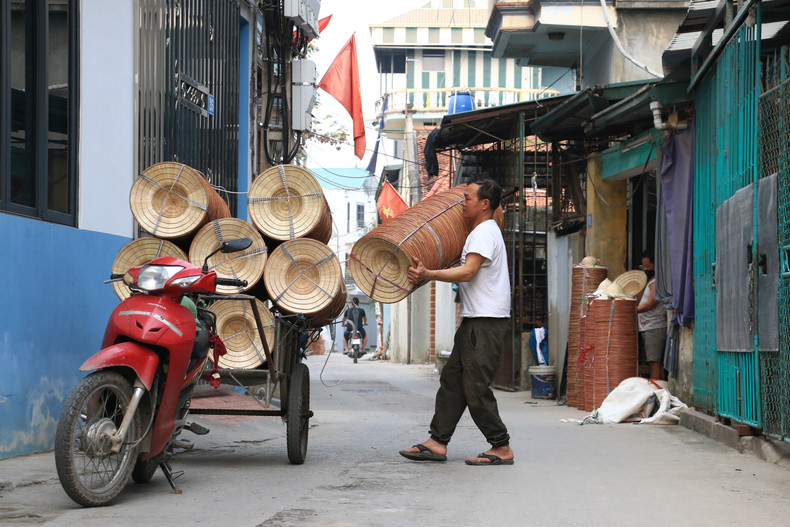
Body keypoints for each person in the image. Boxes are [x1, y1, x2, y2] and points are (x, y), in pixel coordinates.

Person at [399, 179, 514, 466]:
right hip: (476, 320)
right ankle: (437, 442)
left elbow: (468, 273)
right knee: (452, 380)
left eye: (467, 198)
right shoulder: (482, 232)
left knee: (475, 386)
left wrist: (428, 273)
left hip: (486, 322)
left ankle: (501, 446)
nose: (462, 203)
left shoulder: (484, 233)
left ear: (484, 204)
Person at [637, 252, 668, 380]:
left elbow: (650, 304)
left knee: (654, 363)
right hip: (649, 327)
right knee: (656, 363)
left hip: (654, 327)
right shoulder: (650, 282)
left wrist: (633, 310)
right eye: (643, 266)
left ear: (655, 265)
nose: (646, 269)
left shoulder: (655, 282)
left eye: (648, 266)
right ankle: (661, 391)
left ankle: (655, 392)